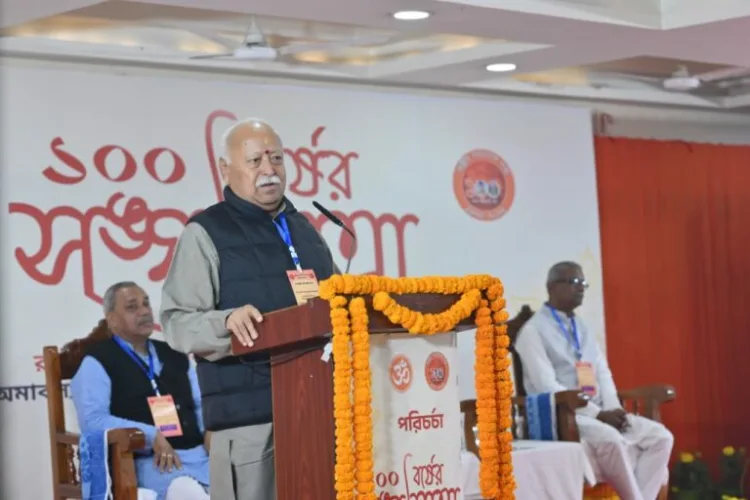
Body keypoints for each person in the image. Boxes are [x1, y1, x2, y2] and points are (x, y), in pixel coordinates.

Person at [160, 118, 338, 500]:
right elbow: (177, 323)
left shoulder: (305, 229)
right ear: (225, 170)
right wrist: (226, 321)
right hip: (251, 423)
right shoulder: (205, 232)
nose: (269, 169)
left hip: (320, 411)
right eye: (255, 161)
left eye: (276, 158)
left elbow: (338, 305)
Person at [514, 261, 673, 500]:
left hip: (600, 411)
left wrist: (614, 409)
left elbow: (602, 373)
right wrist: (597, 414)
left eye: (583, 283)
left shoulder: (583, 328)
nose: (581, 288)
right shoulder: (532, 331)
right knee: (611, 440)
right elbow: (546, 386)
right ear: (552, 287)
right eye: (574, 282)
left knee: (661, 437)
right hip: (565, 415)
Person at [71, 282, 210, 500]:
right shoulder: (97, 361)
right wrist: (149, 434)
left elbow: (201, 405)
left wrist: (213, 430)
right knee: (187, 491)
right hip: (142, 462)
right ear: (112, 319)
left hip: (197, 457)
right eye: (132, 307)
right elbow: (92, 420)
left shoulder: (174, 353)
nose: (144, 311)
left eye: (146, 303)